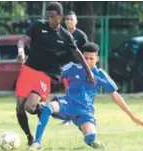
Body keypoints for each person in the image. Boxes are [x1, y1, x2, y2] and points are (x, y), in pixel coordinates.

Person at [29, 42, 143, 150]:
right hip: (67, 104)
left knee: (91, 137)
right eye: (85, 58)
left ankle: (91, 141)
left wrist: (132, 116)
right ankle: (37, 142)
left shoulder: (100, 74)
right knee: (49, 107)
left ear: (97, 59)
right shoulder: (72, 68)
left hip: (85, 112)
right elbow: (51, 72)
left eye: (91, 58)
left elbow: (115, 96)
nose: (88, 61)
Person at [15, 2, 96, 146]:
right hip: (28, 70)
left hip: (44, 75)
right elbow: (23, 41)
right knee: (19, 108)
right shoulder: (37, 26)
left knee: (30, 107)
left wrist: (88, 71)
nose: (49, 20)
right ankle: (29, 138)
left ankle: (45, 109)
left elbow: (77, 53)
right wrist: (21, 52)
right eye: (47, 17)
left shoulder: (64, 35)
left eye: (53, 17)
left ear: (60, 17)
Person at [62, 11, 89, 125]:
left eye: (71, 19)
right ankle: (69, 117)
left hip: (78, 68)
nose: (69, 21)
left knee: (76, 92)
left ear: (76, 21)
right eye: (67, 19)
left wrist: (87, 67)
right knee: (68, 91)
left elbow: (87, 51)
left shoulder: (81, 35)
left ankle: (81, 114)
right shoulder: (61, 33)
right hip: (65, 67)